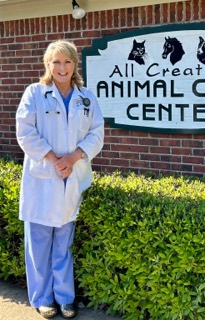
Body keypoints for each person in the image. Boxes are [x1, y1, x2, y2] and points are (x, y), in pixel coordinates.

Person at [16, 39, 104, 319]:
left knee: (63, 244)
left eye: (67, 61)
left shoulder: (86, 97)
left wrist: (73, 157)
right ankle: (42, 299)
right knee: (39, 246)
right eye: (56, 61)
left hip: (71, 179)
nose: (61, 67)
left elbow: (97, 133)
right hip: (43, 179)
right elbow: (25, 133)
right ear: (47, 65)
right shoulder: (35, 93)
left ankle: (65, 298)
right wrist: (55, 159)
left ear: (75, 65)